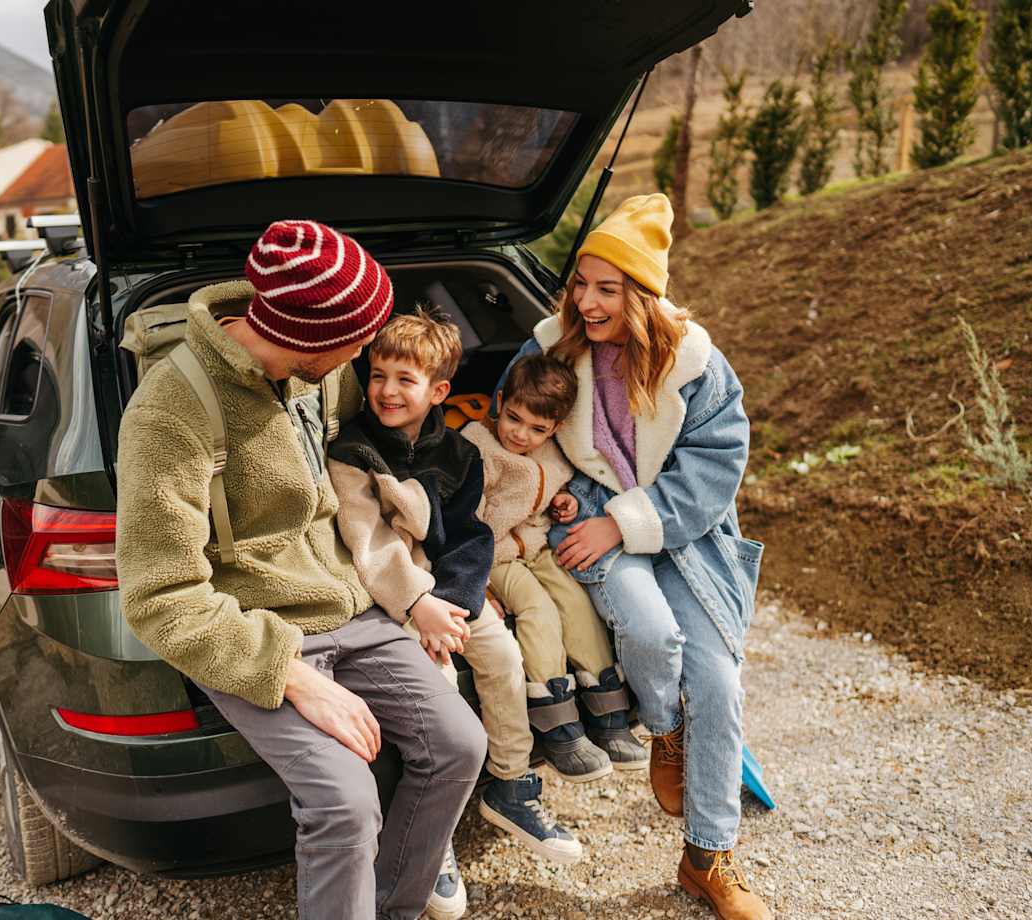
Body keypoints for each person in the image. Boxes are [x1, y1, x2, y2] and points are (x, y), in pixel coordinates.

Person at [115, 219, 487, 920]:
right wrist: (292, 676)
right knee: (344, 805)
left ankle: (392, 907)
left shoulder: (321, 376)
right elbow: (160, 596)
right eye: (359, 344)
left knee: (460, 745)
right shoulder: (171, 412)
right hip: (256, 633)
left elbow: (378, 454)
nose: (366, 359)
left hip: (351, 606)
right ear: (313, 338)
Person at [494, 194, 771, 920]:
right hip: (585, 524)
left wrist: (627, 523)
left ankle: (709, 857)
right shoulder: (550, 347)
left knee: (716, 681)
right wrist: (555, 504)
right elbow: (519, 433)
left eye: (606, 289)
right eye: (580, 284)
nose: (586, 301)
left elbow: (715, 468)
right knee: (650, 636)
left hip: (683, 536)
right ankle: (666, 730)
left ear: (642, 295)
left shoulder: (698, 365)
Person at [327, 310, 583, 918]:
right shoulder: (352, 449)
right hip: (395, 597)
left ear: (439, 391)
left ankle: (510, 784)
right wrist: (421, 607)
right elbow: (370, 543)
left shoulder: (458, 452)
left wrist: (462, 602)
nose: (388, 390)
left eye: (405, 380)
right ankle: (432, 837)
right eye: (379, 375)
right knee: (438, 690)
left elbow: (471, 537)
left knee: (503, 656)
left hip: (450, 593)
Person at [460, 353, 648, 781]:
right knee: (538, 612)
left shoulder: (553, 451)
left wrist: (566, 503)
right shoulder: (478, 446)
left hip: (538, 545)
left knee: (575, 603)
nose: (521, 434)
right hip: (494, 555)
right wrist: (477, 581)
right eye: (514, 418)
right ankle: (556, 721)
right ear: (501, 401)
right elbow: (467, 520)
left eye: (537, 428)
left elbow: (552, 490)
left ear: (556, 427)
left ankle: (608, 710)